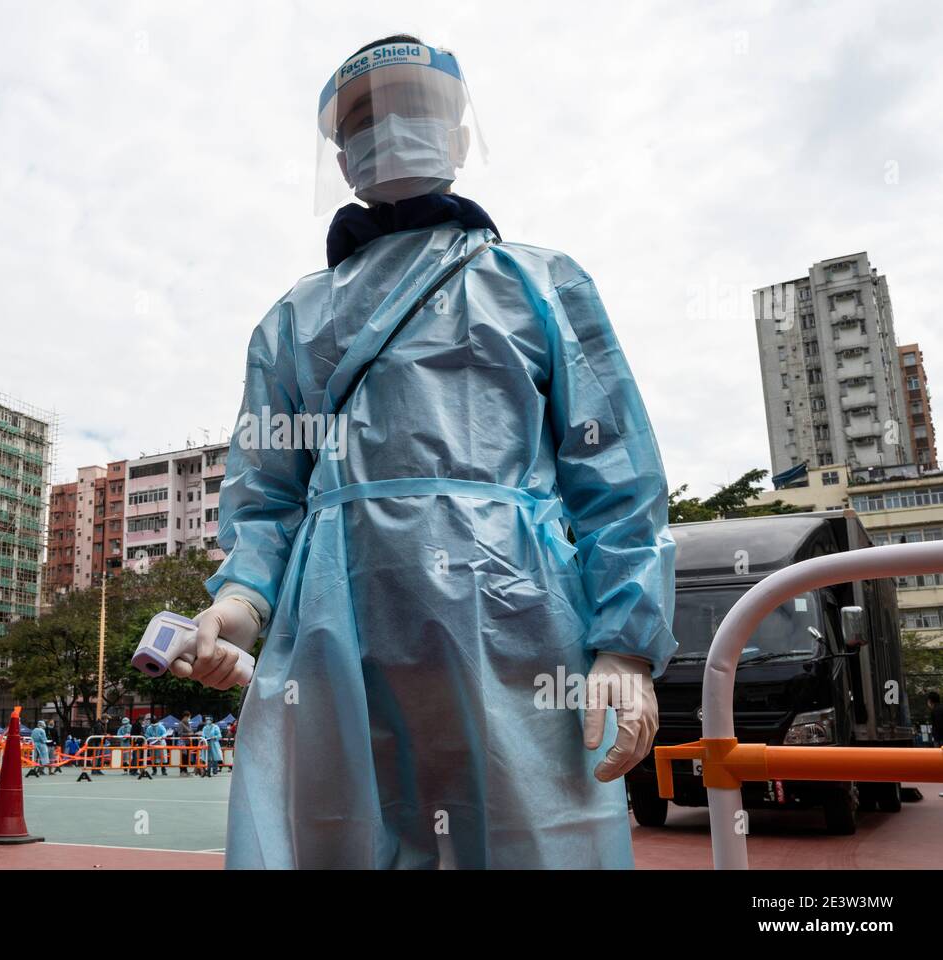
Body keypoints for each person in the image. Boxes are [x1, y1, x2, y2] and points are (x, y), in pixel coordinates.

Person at [172, 36, 676, 869]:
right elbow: (265, 498)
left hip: (518, 621)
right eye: (364, 117)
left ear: (461, 135)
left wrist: (623, 644)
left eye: (415, 105)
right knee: (336, 839)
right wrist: (234, 611)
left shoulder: (540, 282)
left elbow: (616, 477)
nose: (389, 126)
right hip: (335, 625)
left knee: (531, 839)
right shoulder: (292, 320)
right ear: (339, 160)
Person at [176, 711, 195, 776]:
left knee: (187, 758)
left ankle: (185, 770)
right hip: (182, 743)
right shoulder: (181, 723)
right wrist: (188, 734)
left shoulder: (188, 724)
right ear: (186, 716)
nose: (189, 718)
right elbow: (180, 733)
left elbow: (191, 731)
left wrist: (192, 733)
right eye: (189, 717)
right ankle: (182, 771)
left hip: (188, 742)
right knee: (183, 757)